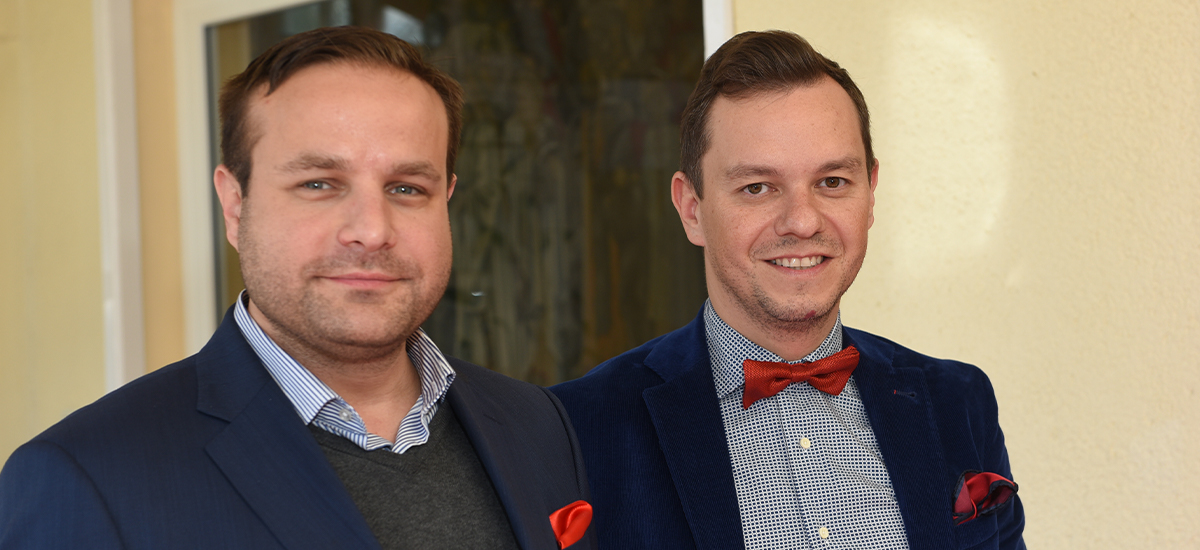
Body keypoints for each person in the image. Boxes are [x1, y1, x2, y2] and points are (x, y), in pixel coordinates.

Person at [0, 27, 594, 550]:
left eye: (407, 188)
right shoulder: (89, 476)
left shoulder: (536, 423)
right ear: (235, 205)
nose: (371, 230)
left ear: (447, 202)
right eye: (318, 183)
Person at [551, 30, 1024, 550]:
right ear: (691, 209)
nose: (801, 221)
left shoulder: (959, 401)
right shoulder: (576, 430)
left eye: (832, 182)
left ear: (870, 195)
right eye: (757, 187)